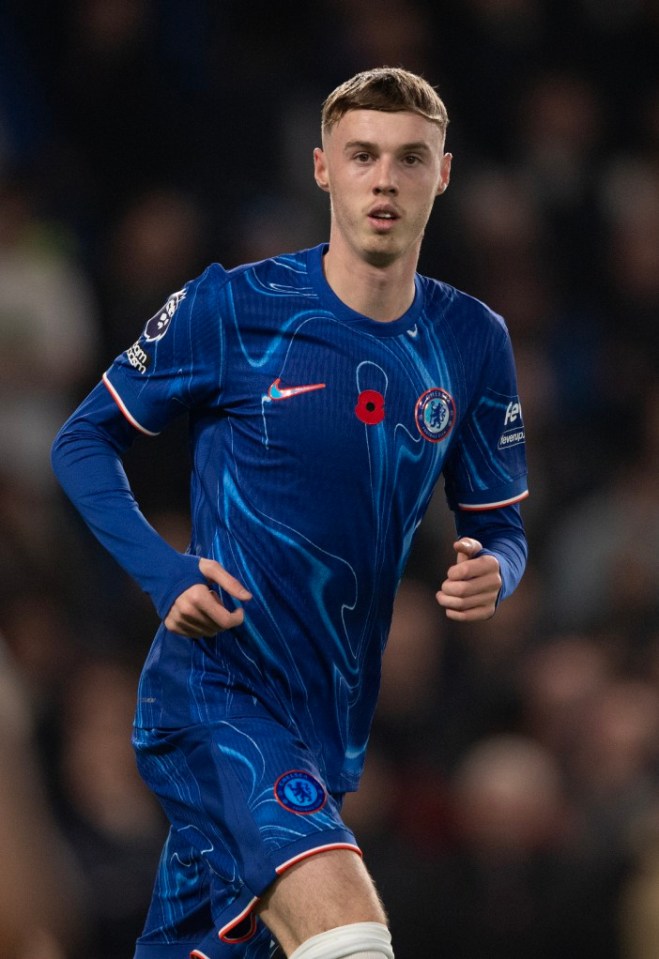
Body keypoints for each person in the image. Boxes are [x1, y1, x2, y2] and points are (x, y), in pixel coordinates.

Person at [51, 67, 529, 959]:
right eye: (361, 155)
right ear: (321, 169)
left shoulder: (472, 341)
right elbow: (80, 443)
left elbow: (501, 527)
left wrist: (491, 569)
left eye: (408, 158)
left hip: (325, 728)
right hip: (212, 692)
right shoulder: (232, 307)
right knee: (348, 930)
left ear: (443, 173)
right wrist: (165, 573)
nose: (383, 178)